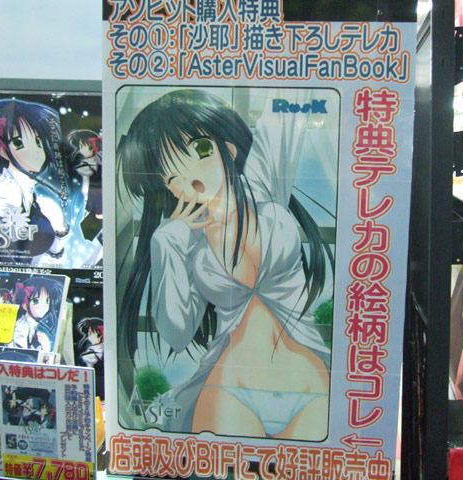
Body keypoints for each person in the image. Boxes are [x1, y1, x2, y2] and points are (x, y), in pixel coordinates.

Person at [118, 89, 333, 440]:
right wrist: (167, 243)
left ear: (228, 149)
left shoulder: (264, 186)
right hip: (230, 383)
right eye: (172, 177)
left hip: (306, 379)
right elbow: (176, 333)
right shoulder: (186, 242)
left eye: (198, 150)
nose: (191, 178)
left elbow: (287, 101)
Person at [0, 99, 69, 266]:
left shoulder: (22, 185)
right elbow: (15, 257)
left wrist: (58, 230)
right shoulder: (3, 189)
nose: (35, 151)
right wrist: (58, 230)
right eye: (18, 143)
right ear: (0, 148)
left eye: (38, 142)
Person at [9, 276, 63, 351]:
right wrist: (45, 349)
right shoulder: (21, 326)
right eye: (36, 301)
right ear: (24, 304)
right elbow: (21, 353)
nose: (43, 306)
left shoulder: (31, 324)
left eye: (47, 301)